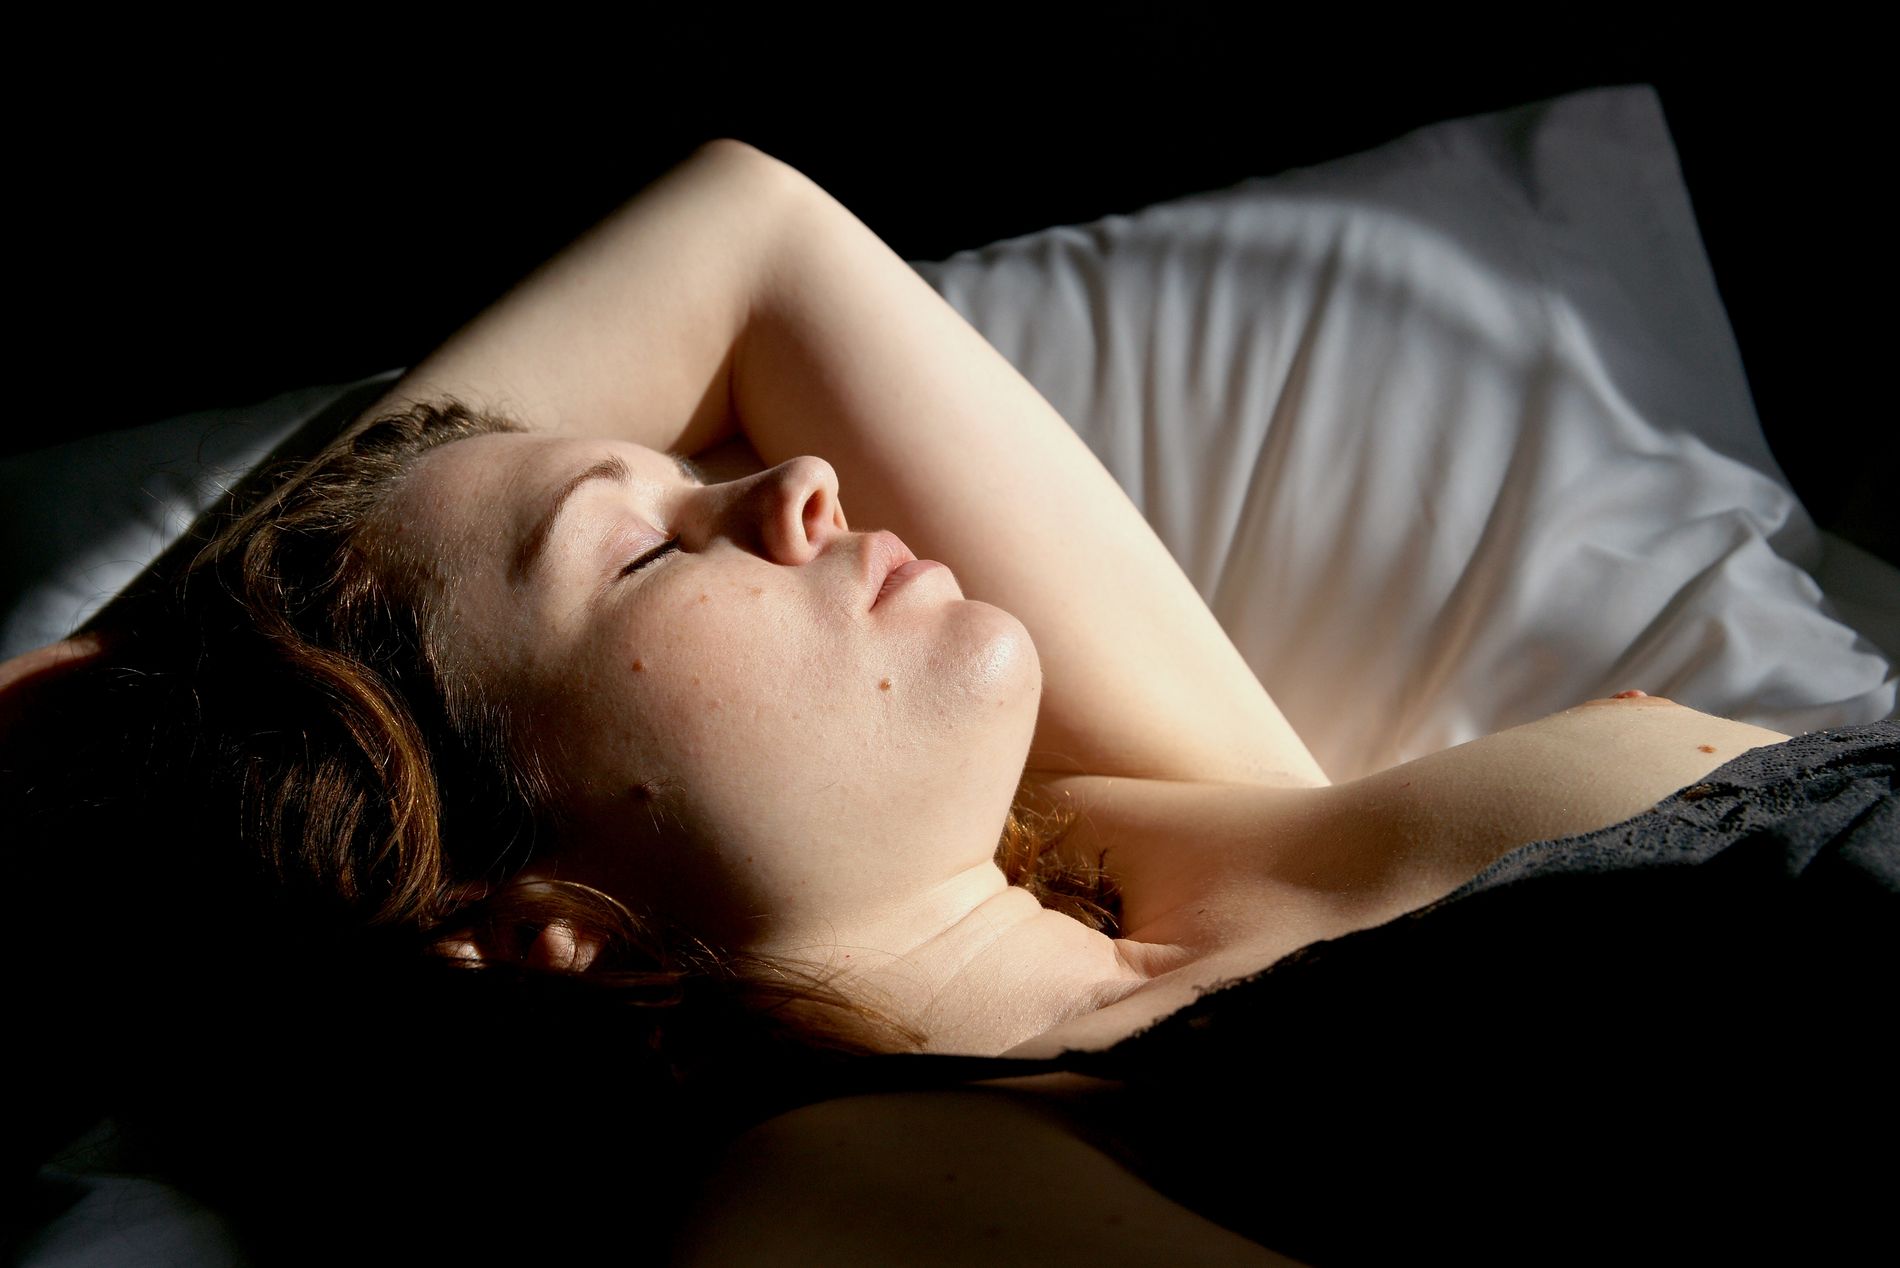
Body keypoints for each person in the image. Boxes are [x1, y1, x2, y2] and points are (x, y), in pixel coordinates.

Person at [6, 138, 1892, 1267]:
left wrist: (140, 697)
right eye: (646, 552)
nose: (796, 485)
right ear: (531, 920)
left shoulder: (1197, 825)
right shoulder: (847, 1196)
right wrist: (156, 771)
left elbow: (750, 238)